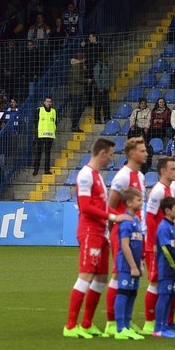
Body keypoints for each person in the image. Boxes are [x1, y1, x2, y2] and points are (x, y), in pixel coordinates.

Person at [63, 138, 131, 339]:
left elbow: (101, 207)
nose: (111, 158)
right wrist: (113, 216)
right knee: (85, 276)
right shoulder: (85, 175)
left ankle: (86, 324)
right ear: (102, 153)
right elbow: (85, 207)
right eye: (110, 154)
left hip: (101, 232)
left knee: (100, 279)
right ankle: (70, 326)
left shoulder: (98, 176)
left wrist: (122, 214)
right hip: (90, 231)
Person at [103, 137, 149, 336]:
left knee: (126, 277)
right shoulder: (122, 177)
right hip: (121, 231)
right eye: (142, 150)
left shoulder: (140, 176)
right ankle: (112, 322)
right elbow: (110, 207)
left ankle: (124, 322)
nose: (146, 153)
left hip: (135, 230)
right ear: (131, 153)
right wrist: (110, 231)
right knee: (117, 274)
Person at [142, 156, 175, 334]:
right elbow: (150, 217)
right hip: (155, 245)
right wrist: (155, 242)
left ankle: (160, 320)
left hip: (164, 243)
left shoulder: (168, 189)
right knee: (155, 282)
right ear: (163, 171)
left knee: (163, 282)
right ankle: (149, 322)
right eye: (172, 169)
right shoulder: (158, 191)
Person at [112, 188, 146, 340]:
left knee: (132, 293)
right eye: (138, 200)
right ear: (129, 203)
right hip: (126, 265)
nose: (141, 202)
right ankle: (120, 328)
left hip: (134, 264)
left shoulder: (136, 220)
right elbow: (125, 245)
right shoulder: (126, 221)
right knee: (124, 292)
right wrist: (132, 266)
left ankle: (127, 325)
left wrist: (140, 264)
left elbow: (137, 244)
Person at [153, 196, 175, 338]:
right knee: (164, 297)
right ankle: (158, 327)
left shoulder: (173, 226)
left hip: (174, 270)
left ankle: (165, 325)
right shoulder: (163, 227)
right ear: (167, 210)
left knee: (171, 297)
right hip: (167, 269)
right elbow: (166, 250)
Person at [32, 96, 56, 176]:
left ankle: (47, 170)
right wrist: (37, 130)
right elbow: (35, 120)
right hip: (41, 135)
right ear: (44, 102)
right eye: (47, 101)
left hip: (49, 135)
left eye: (50, 101)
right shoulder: (39, 110)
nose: (48, 103)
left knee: (47, 153)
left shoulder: (53, 111)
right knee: (38, 153)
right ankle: (36, 169)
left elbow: (55, 122)